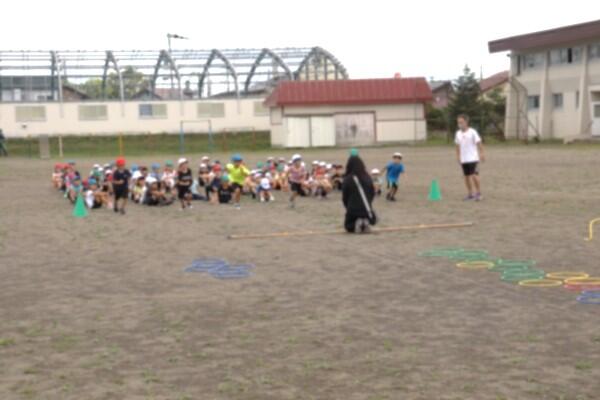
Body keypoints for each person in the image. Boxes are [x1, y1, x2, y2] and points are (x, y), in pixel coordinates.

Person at [342, 155, 376, 233]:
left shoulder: (347, 179)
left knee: (349, 227)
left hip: (352, 209)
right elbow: (372, 193)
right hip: (367, 210)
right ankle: (365, 221)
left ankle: (358, 222)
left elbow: (345, 197)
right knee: (366, 215)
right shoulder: (367, 177)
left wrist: (348, 207)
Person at [455, 114, 485, 201]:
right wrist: (458, 156)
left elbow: (479, 143)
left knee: (474, 175)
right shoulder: (458, 133)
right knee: (466, 177)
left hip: (473, 158)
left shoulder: (472, 132)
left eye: (461, 122)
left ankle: (478, 193)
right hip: (464, 159)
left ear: (466, 122)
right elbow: (457, 146)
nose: (460, 124)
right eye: (458, 123)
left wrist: (482, 153)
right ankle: (470, 194)